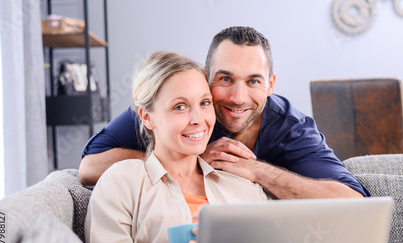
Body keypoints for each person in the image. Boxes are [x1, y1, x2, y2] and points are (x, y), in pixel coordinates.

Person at [79, 26, 370, 199]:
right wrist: (188, 160)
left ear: (270, 84)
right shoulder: (173, 110)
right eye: (225, 79)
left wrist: (257, 171)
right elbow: (89, 168)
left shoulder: (291, 128)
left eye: (253, 81)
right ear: (206, 77)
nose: (238, 97)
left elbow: (355, 201)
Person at [85, 52, 270, 243]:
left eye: (204, 103)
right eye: (180, 107)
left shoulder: (241, 185)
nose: (198, 119)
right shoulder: (123, 181)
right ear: (147, 117)